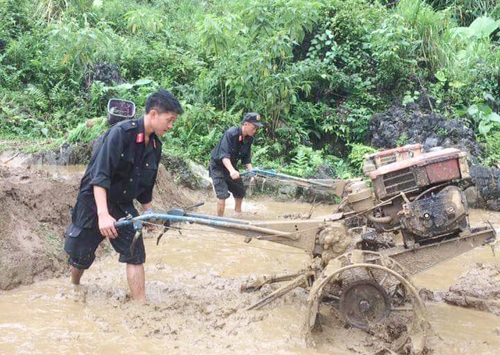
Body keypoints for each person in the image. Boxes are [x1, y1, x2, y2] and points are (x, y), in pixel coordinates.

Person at [64, 89, 183, 301]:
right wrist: (102, 214)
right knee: (80, 255)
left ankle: (140, 305)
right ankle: (74, 287)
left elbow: (146, 186)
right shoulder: (120, 133)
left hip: (121, 203)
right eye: (170, 119)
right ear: (154, 114)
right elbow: (99, 176)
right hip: (93, 201)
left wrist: (149, 213)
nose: (171, 126)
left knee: (135, 252)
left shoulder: (155, 145)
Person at [209, 112, 263, 217]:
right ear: (246, 124)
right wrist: (232, 171)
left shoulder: (249, 138)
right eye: (254, 127)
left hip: (231, 166)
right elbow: (224, 156)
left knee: (240, 192)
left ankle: (237, 215)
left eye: (257, 127)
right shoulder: (231, 134)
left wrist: (251, 172)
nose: (255, 130)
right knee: (222, 195)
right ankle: (220, 220)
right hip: (218, 166)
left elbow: (246, 158)